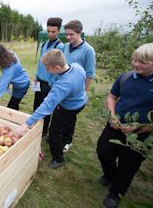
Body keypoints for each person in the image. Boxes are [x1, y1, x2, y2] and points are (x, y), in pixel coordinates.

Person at [96, 43, 153, 208]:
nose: (136, 64)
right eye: (134, 60)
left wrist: (140, 128)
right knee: (103, 151)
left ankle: (115, 193)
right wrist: (112, 116)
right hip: (115, 126)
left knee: (128, 165)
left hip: (141, 136)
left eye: (142, 62)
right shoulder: (126, 77)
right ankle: (109, 175)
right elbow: (112, 97)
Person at [15, 49, 87, 169]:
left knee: (54, 131)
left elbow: (47, 106)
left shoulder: (63, 84)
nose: (47, 70)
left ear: (57, 68)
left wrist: (26, 123)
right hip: (81, 101)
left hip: (68, 107)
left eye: (48, 68)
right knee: (69, 121)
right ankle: (66, 139)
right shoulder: (76, 66)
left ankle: (58, 159)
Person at [62, 20, 96, 152]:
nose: (68, 37)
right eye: (67, 34)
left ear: (79, 32)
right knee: (61, 113)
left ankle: (67, 141)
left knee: (70, 117)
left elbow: (90, 74)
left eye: (71, 34)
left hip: (76, 90)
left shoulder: (88, 50)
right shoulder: (65, 46)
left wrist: (84, 92)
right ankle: (58, 135)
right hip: (64, 87)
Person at [33, 17, 64, 137]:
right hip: (38, 81)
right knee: (36, 105)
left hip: (48, 83)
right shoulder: (45, 43)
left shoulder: (60, 46)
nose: (50, 34)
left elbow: (59, 67)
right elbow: (40, 62)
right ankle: (35, 126)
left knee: (46, 107)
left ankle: (43, 130)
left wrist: (52, 82)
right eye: (48, 31)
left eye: (53, 32)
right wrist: (36, 76)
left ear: (58, 31)